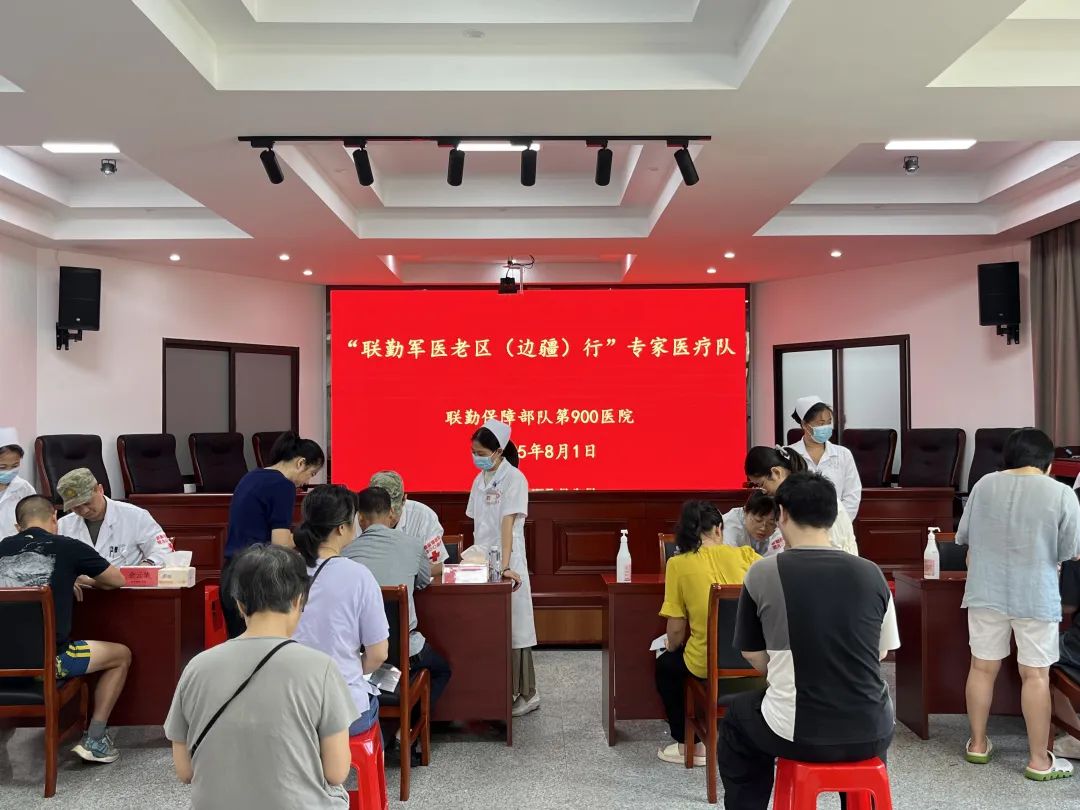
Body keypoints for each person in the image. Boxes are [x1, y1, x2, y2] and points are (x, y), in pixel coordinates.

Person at [716, 473, 899, 810]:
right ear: (833, 515)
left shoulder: (763, 572)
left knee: (738, 719)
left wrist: (789, 669)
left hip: (796, 732)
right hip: (872, 731)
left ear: (782, 513)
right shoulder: (871, 573)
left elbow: (752, 654)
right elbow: (881, 651)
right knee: (865, 713)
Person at [165, 544, 356, 810]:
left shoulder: (196, 668)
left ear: (239, 604)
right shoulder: (321, 668)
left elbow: (185, 771)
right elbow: (336, 771)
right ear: (299, 600)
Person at [957, 427, 1079, 781]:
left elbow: (965, 537)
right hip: (1035, 594)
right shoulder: (1060, 492)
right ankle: (1039, 761)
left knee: (982, 667)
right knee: (1035, 675)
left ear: (1007, 458)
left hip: (985, 590)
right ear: (1048, 463)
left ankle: (978, 744)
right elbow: (1070, 551)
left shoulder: (983, 485)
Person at [0, 495, 129, 764]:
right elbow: (115, 580)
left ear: (17, 526)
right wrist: (75, 576)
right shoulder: (69, 547)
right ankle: (95, 740)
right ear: (54, 519)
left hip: (2, 662)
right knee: (121, 655)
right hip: (50, 663)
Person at [345, 486, 452, 750]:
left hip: (361, 659)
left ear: (360, 518)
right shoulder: (413, 545)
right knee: (442, 670)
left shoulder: (346, 553)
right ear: (391, 514)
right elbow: (423, 581)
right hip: (407, 655)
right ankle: (405, 732)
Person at [655, 501, 761, 765]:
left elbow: (676, 629)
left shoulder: (677, 564)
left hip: (706, 664)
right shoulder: (747, 556)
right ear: (718, 529)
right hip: (756, 662)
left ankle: (690, 746)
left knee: (666, 665)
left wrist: (671, 646)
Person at [292, 485, 389, 738]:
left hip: (290, 707)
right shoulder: (358, 576)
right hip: (344, 708)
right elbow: (378, 654)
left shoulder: (284, 569)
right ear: (341, 528)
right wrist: (351, 669)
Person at [467, 419, 539, 716]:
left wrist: (505, 567)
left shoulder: (515, 478)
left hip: (509, 561)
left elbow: (507, 525)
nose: (476, 457)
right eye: (473, 452)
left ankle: (527, 693)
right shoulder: (479, 479)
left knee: (515, 627)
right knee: (490, 626)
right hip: (483, 560)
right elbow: (477, 524)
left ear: (498, 451)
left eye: (481, 453)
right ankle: (496, 689)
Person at [222, 431, 324, 637]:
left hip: (230, 573)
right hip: (255, 576)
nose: (305, 482)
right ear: (301, 463)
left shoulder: (251, 476)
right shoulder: (283, 485)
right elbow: (280, 543)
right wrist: (310, 537)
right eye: (311, 474)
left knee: (239, 642)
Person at [744, 446, 858, 556]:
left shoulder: (808, 498)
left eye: (761, 484)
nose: (764, 492)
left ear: (776, 472)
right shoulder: (795, 496)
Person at [56, 468, 173, 566]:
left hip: (126, 585)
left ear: (100, 490)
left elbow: (163, 550)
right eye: (76, 507)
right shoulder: (63, 525)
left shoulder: (135, 516)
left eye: (87, 503)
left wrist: (147, 565)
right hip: (80, 586)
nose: (84, 511)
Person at [788, 396, 862, 520]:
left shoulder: (843, 454)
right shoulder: (788, 454)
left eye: (828, 422)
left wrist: (838, 523)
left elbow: (852, 495)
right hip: (799, 524)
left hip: (837, 524)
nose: (826, 427)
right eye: (821, 423)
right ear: (804, 424)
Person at [369, 470, 449, 575]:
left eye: (394, 509)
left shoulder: (424, 516)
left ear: (404, 499)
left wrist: (401, 575)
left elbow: (437, 565)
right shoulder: (360, 517)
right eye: (381, 511)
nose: (389, 516)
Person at [1051, 559, 1080, 759]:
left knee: (1036, 656)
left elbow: (1068, 607)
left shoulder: (1074, 554)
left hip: (1076, 648)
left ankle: (1075, 735)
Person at [722, 491, 784, 557]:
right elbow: (729, 558)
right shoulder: (730, 527)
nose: (763, 528)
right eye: (758, 520)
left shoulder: (780, 524)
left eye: (771, 523)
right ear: (745, 511)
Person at [0, 428, 35, 538]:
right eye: (2, 467)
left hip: (15, 546)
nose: (9, 471)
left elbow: (34, 523)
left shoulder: (24, 489)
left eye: (15, 466)